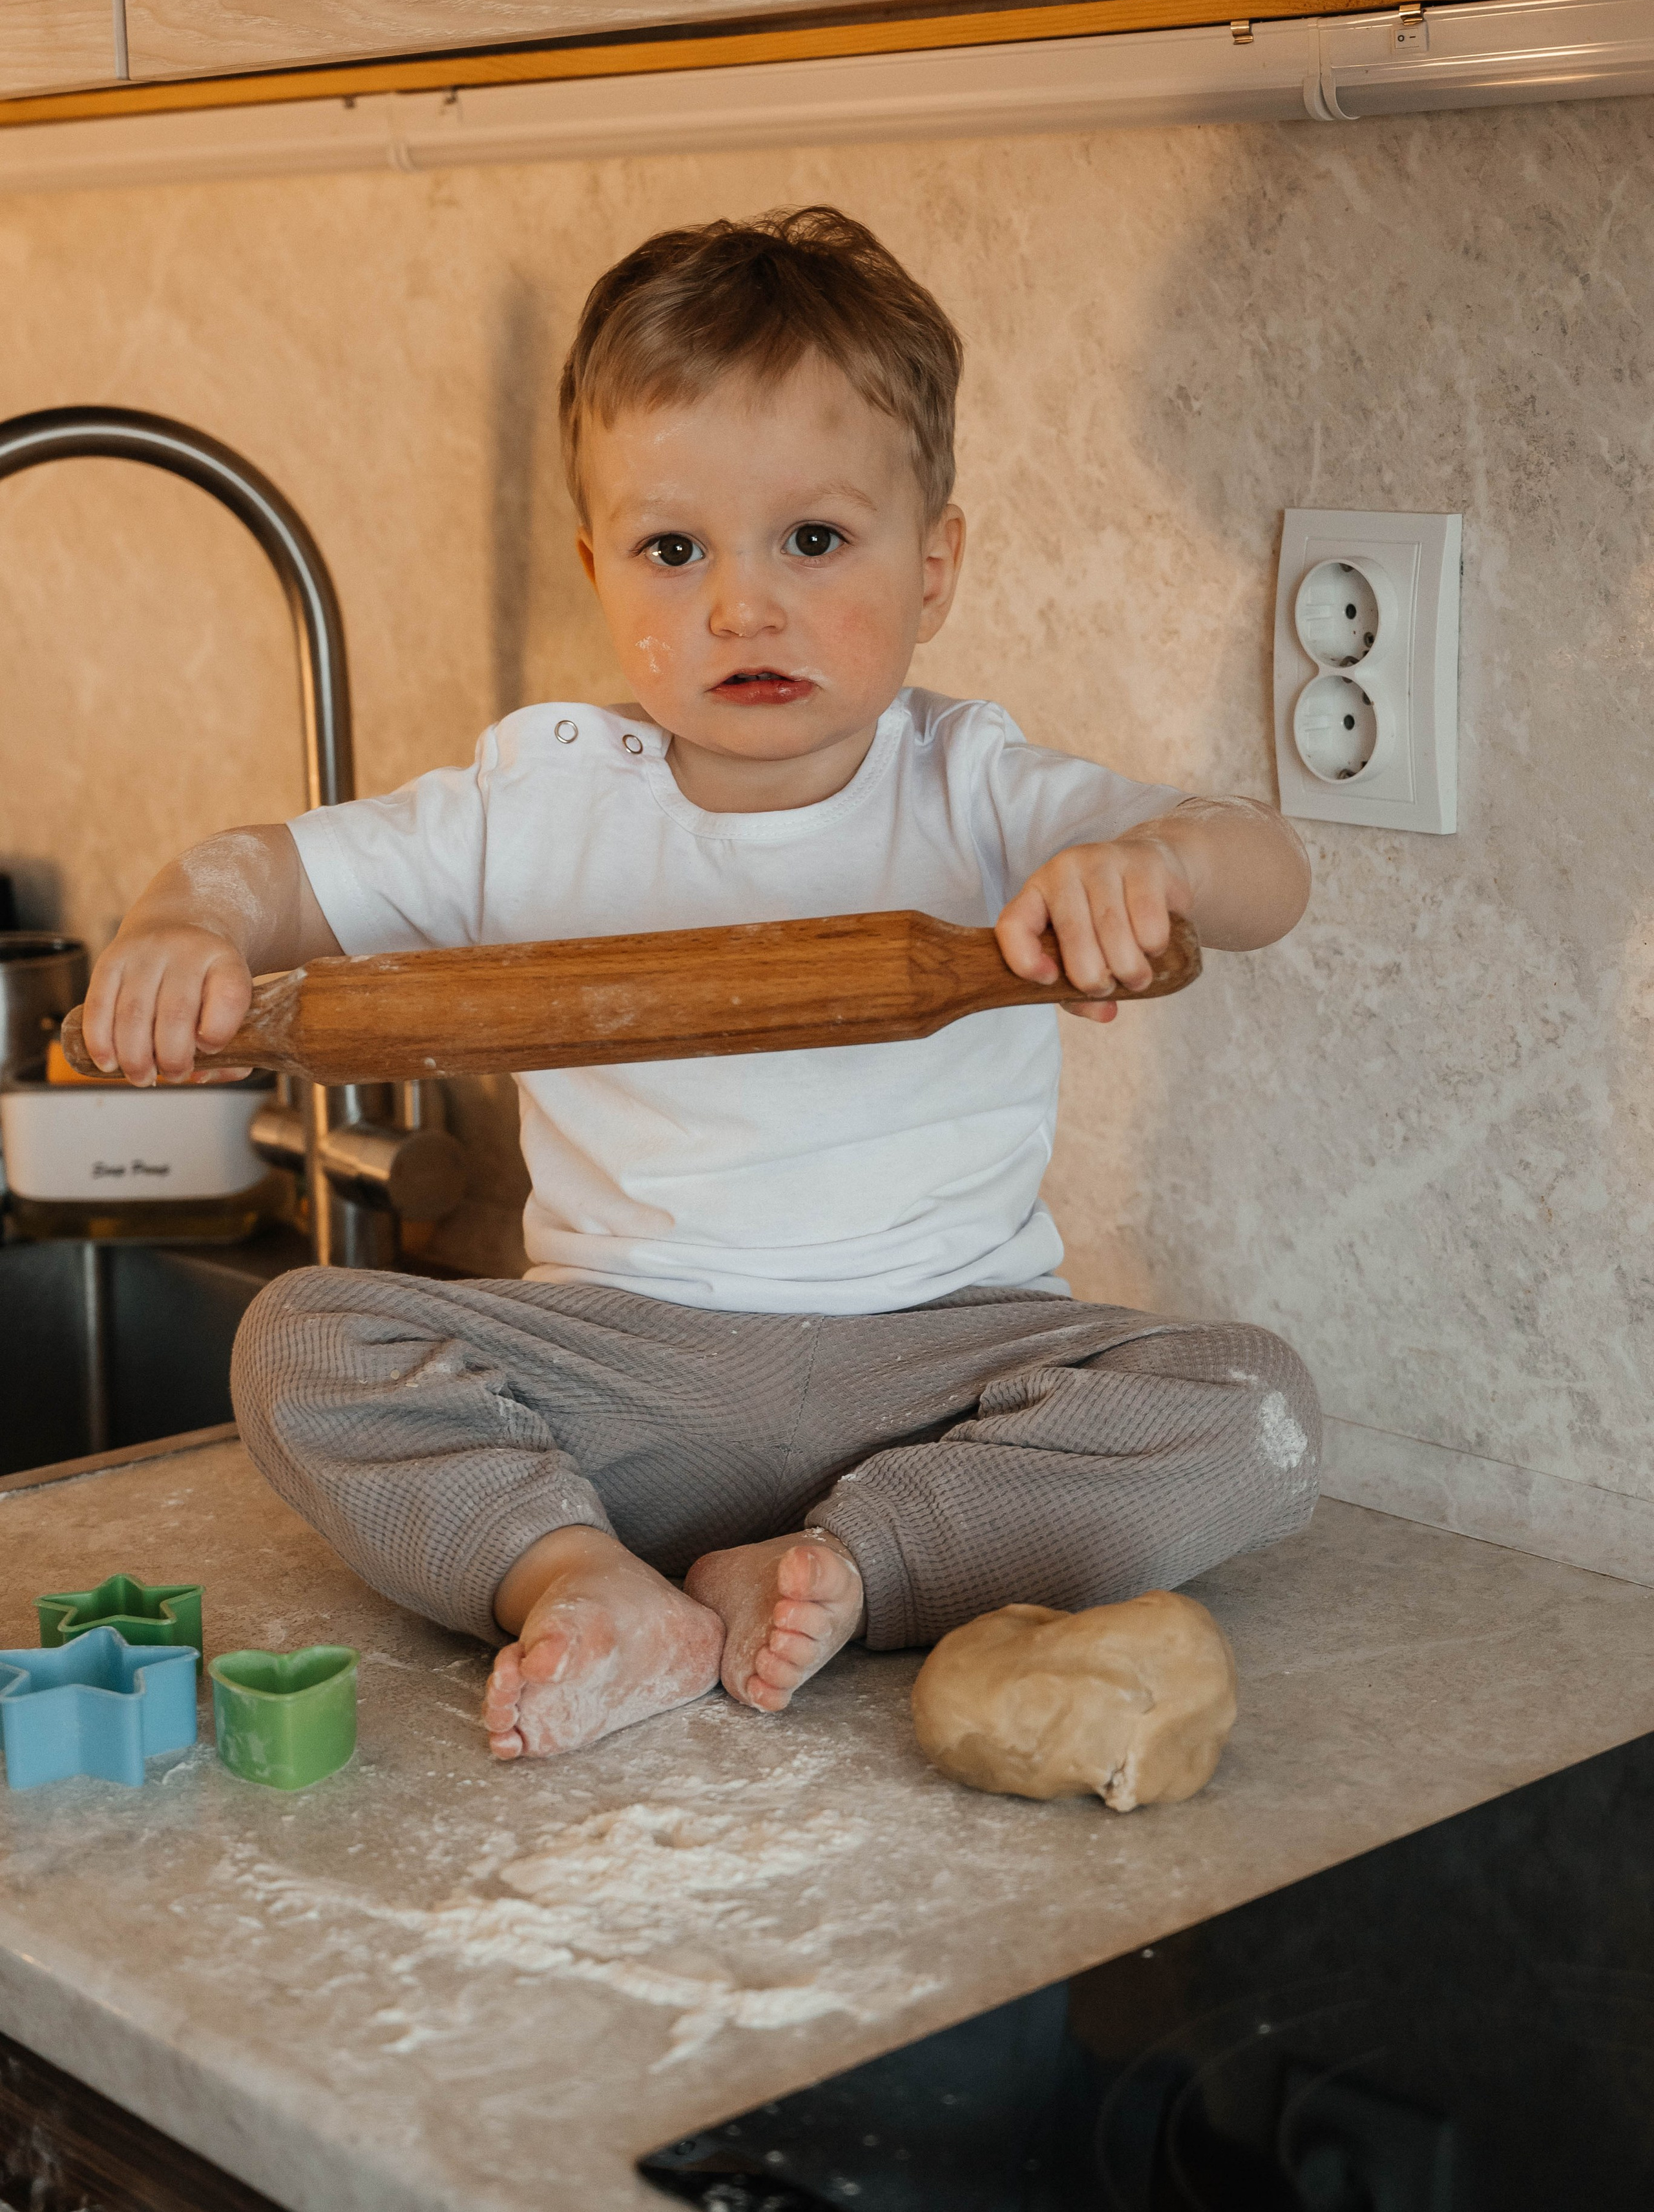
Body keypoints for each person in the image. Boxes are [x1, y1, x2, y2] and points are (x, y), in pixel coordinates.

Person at [79, 207, 1319, 1764]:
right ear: (601, 566)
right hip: (620, 1375)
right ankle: (581, 1575)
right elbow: (260, 873)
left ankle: (852, 1560)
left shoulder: (976, 791)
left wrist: (1157, 872)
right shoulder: (536, 804)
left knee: (1248, 1404)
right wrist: (182, 927)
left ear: (933, 565)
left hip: (943, 1365)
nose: (742, 604)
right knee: (303, 1344)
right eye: (675, 550)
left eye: (813, 540)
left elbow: (1264, 868)